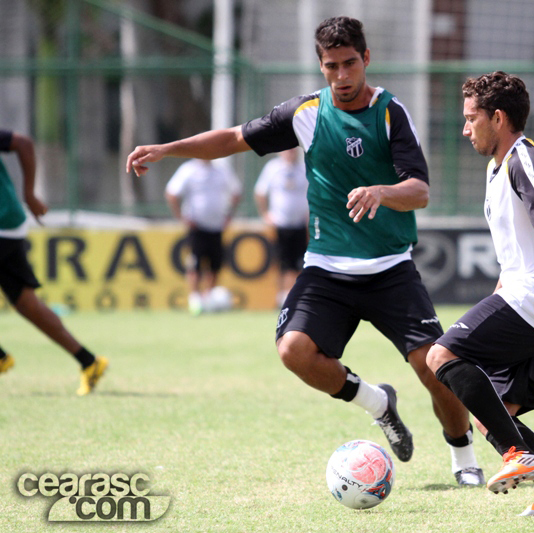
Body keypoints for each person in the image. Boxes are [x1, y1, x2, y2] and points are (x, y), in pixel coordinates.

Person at [127, 16, 483, 485]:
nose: (341, 75)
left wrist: (380, 191)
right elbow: (234, 138)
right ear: (321, 66)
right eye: (331, 66)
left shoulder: (391, 113)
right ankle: (378, 403)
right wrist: (169, 148)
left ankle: (464, 460)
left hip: (390, 268)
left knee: (433, 367)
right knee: (294, 350)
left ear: (366, 60)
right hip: (326, 270)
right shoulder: (304, 114)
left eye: (350, 63)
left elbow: (419, 191)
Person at [426, 71, 534, 515]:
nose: (465, 129)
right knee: (494, 416)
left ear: (497, 118)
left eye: (471, 118)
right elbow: (516, 249)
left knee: (439, 356)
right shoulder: (497, 166)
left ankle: (518, 457)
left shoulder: (524, 159)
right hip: (525, 297)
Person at [0, 129, 108, 396]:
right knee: (26, 304)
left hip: (2, 222)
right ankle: (89, 362)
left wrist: (30, 194)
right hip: (8, 225)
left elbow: (22, 142)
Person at [165, 158, 242, 314]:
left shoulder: (221, 170)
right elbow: (172, 193)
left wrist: (229, 214)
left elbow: (236, 192)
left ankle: (208, 299)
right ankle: (195, 299)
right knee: (195, 263)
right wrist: (180, 216)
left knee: (215, 264)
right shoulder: (188, 169)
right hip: (197, 226)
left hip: (217, 226)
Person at [254, 148, 308, 307]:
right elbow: (260, 192)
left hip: (300, 224)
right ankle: (282, 295)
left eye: (293, 150)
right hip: (280, 224)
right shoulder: (273, 168)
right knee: (282, 262)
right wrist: (265, 214)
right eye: (287, 150)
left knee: (299, 262)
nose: (290, 153)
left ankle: (295, 294)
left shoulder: (304, 167)